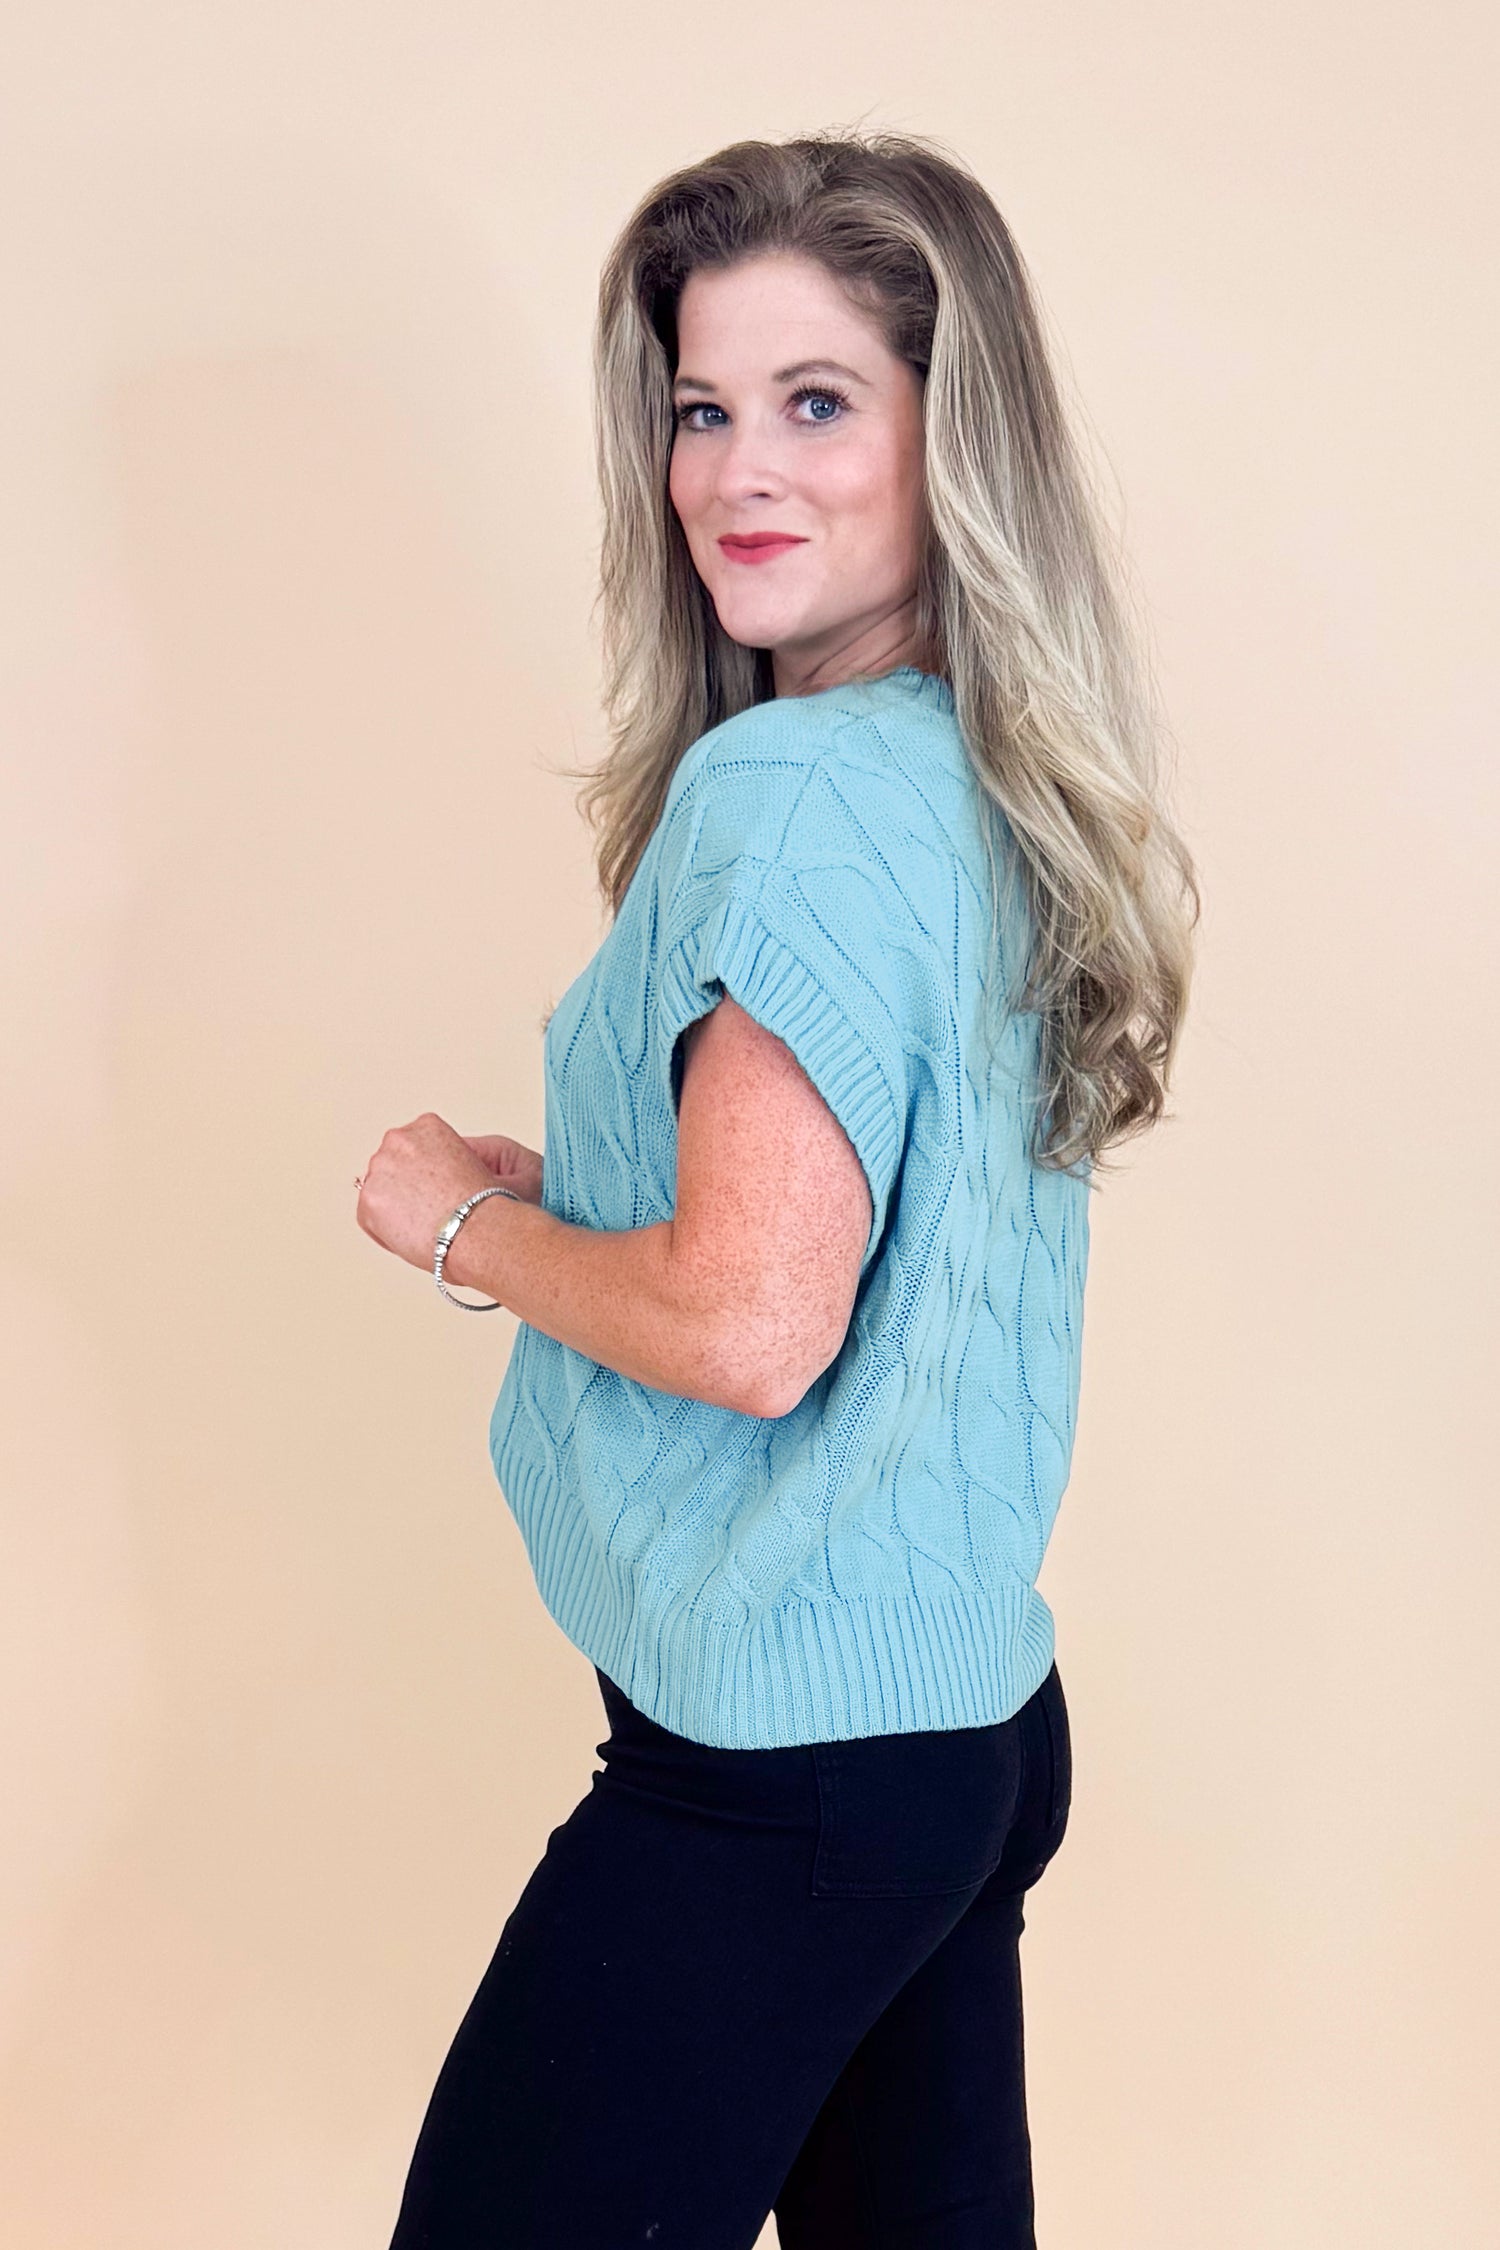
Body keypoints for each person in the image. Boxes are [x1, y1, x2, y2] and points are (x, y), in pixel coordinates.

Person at [357, 126, 1199, 2250]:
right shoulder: (967, 767)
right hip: (960, 1729)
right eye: (700, 409)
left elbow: (748, 1325)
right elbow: (849, 1216)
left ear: (950, 435)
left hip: (785, 1777)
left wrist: (457, 1227)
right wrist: (590, 1191)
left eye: (818, 403)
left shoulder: (791, 799)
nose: (742, 469)